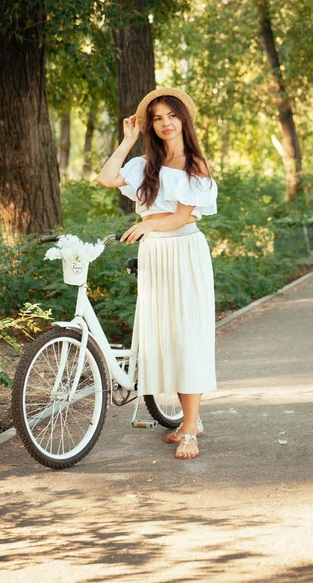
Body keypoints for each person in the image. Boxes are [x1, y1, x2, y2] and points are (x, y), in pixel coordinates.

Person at [98, 87, 217, 459]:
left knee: (187, 337)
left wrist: (148, 226)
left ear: (184, 119)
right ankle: (189, 420)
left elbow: (183, 216)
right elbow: (105, 178)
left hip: (184, 250)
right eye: (157, 118)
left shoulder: (195, 163)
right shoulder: (144, 164)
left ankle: (191, 430)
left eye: (172, 116)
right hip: (155, 255)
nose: (165, 123)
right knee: (165, 336)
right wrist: (127, 139)